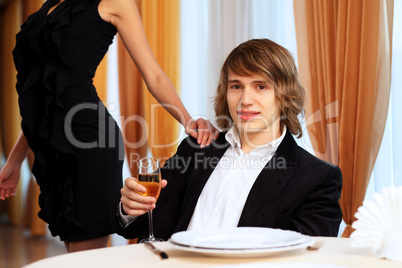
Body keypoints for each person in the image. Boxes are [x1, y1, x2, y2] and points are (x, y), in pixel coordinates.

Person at [0, 0, 217, 252]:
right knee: (73, 250)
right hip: (52, 148)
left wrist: (188, 121)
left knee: (84, 254)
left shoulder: (115, 3)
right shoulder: (48, 7)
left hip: (89, 141)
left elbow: (153, 74)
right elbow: (41, 100)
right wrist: (14, 161)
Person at [114, 38, 343, 241]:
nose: (245, 100)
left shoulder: (317, 179)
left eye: (260, 86)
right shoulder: (196, 149)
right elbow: (139, 227)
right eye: (236, 86)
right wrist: (129, 208)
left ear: (284, 95)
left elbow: (305, 257)